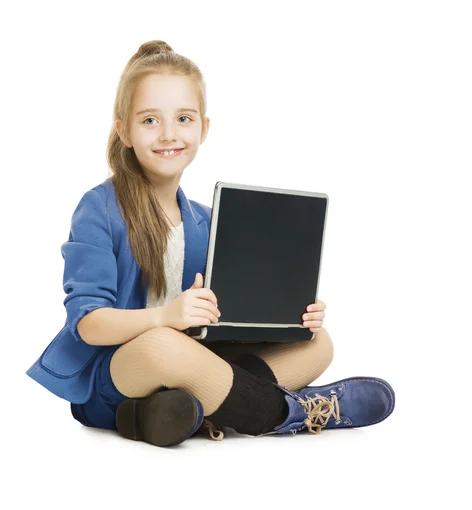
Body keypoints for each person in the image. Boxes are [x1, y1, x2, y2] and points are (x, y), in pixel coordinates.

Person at [26, 40, 395, 447]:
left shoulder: (206, 220)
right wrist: (166, 316)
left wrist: (288, 318)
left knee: (317, 343)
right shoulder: (99, 208)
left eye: (183, 118)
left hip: (191, 362)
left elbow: (221, 320)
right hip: (120, 372)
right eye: (149, 120)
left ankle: (181, 412)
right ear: (123, 130)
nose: (169, 133)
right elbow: (89, 324)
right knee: (163, 346)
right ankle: (290, 411)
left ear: (203, 128)